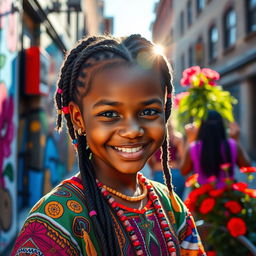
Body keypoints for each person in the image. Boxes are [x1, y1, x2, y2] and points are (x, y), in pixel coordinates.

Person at [12, 35, 205, 256]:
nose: (133, 130)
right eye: (109, 114)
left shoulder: (170, 205)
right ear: (78, 118)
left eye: (149, 111)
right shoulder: (54, 222)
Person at [180, 110, 251, 188]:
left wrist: (190, 139)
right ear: (222, 126)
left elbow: (184, 171)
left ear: (202, 127)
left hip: (202, 197)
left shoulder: (194, 148)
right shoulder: (232, 145)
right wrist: (236, 140)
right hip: (228, 195)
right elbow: (247, 166)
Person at [149, 123, 185, 198]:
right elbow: (182, 157)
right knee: (177, 203)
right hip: (175, 172)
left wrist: (153, 168)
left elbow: (150, 159)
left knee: (162, 205)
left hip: (158, 172)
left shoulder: (153, 139)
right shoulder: (177, 138)